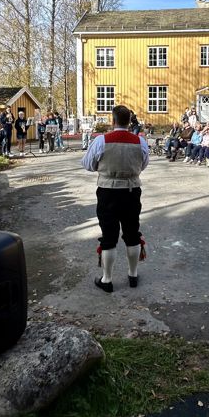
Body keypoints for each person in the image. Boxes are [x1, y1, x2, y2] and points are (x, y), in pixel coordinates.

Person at [82, 105, 149, 293]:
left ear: (113, 121)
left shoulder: (101, 140)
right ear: (129, 121)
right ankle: (133, 275)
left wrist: (104, 169)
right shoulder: (140, 141)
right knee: (132, 233)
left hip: (108, 191)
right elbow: (143, 165)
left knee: (109, 236)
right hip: (131, 191)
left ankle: (107, 279)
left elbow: (88, 165)